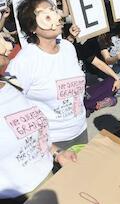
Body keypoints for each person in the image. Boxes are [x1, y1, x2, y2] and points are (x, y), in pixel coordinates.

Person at [0, 34, 77, 203]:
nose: (7, 45)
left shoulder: (11, 85)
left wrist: (57, 153)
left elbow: (31, 132)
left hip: (49, 182)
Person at [6, 0, 88, 150]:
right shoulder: (23, 62)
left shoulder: (67, 47)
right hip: (51, 142)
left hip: (80, 130)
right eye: (45, 15)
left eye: (53, 11)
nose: (55, 17)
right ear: (31, 28)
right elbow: (8, 103)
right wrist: (50, 148)